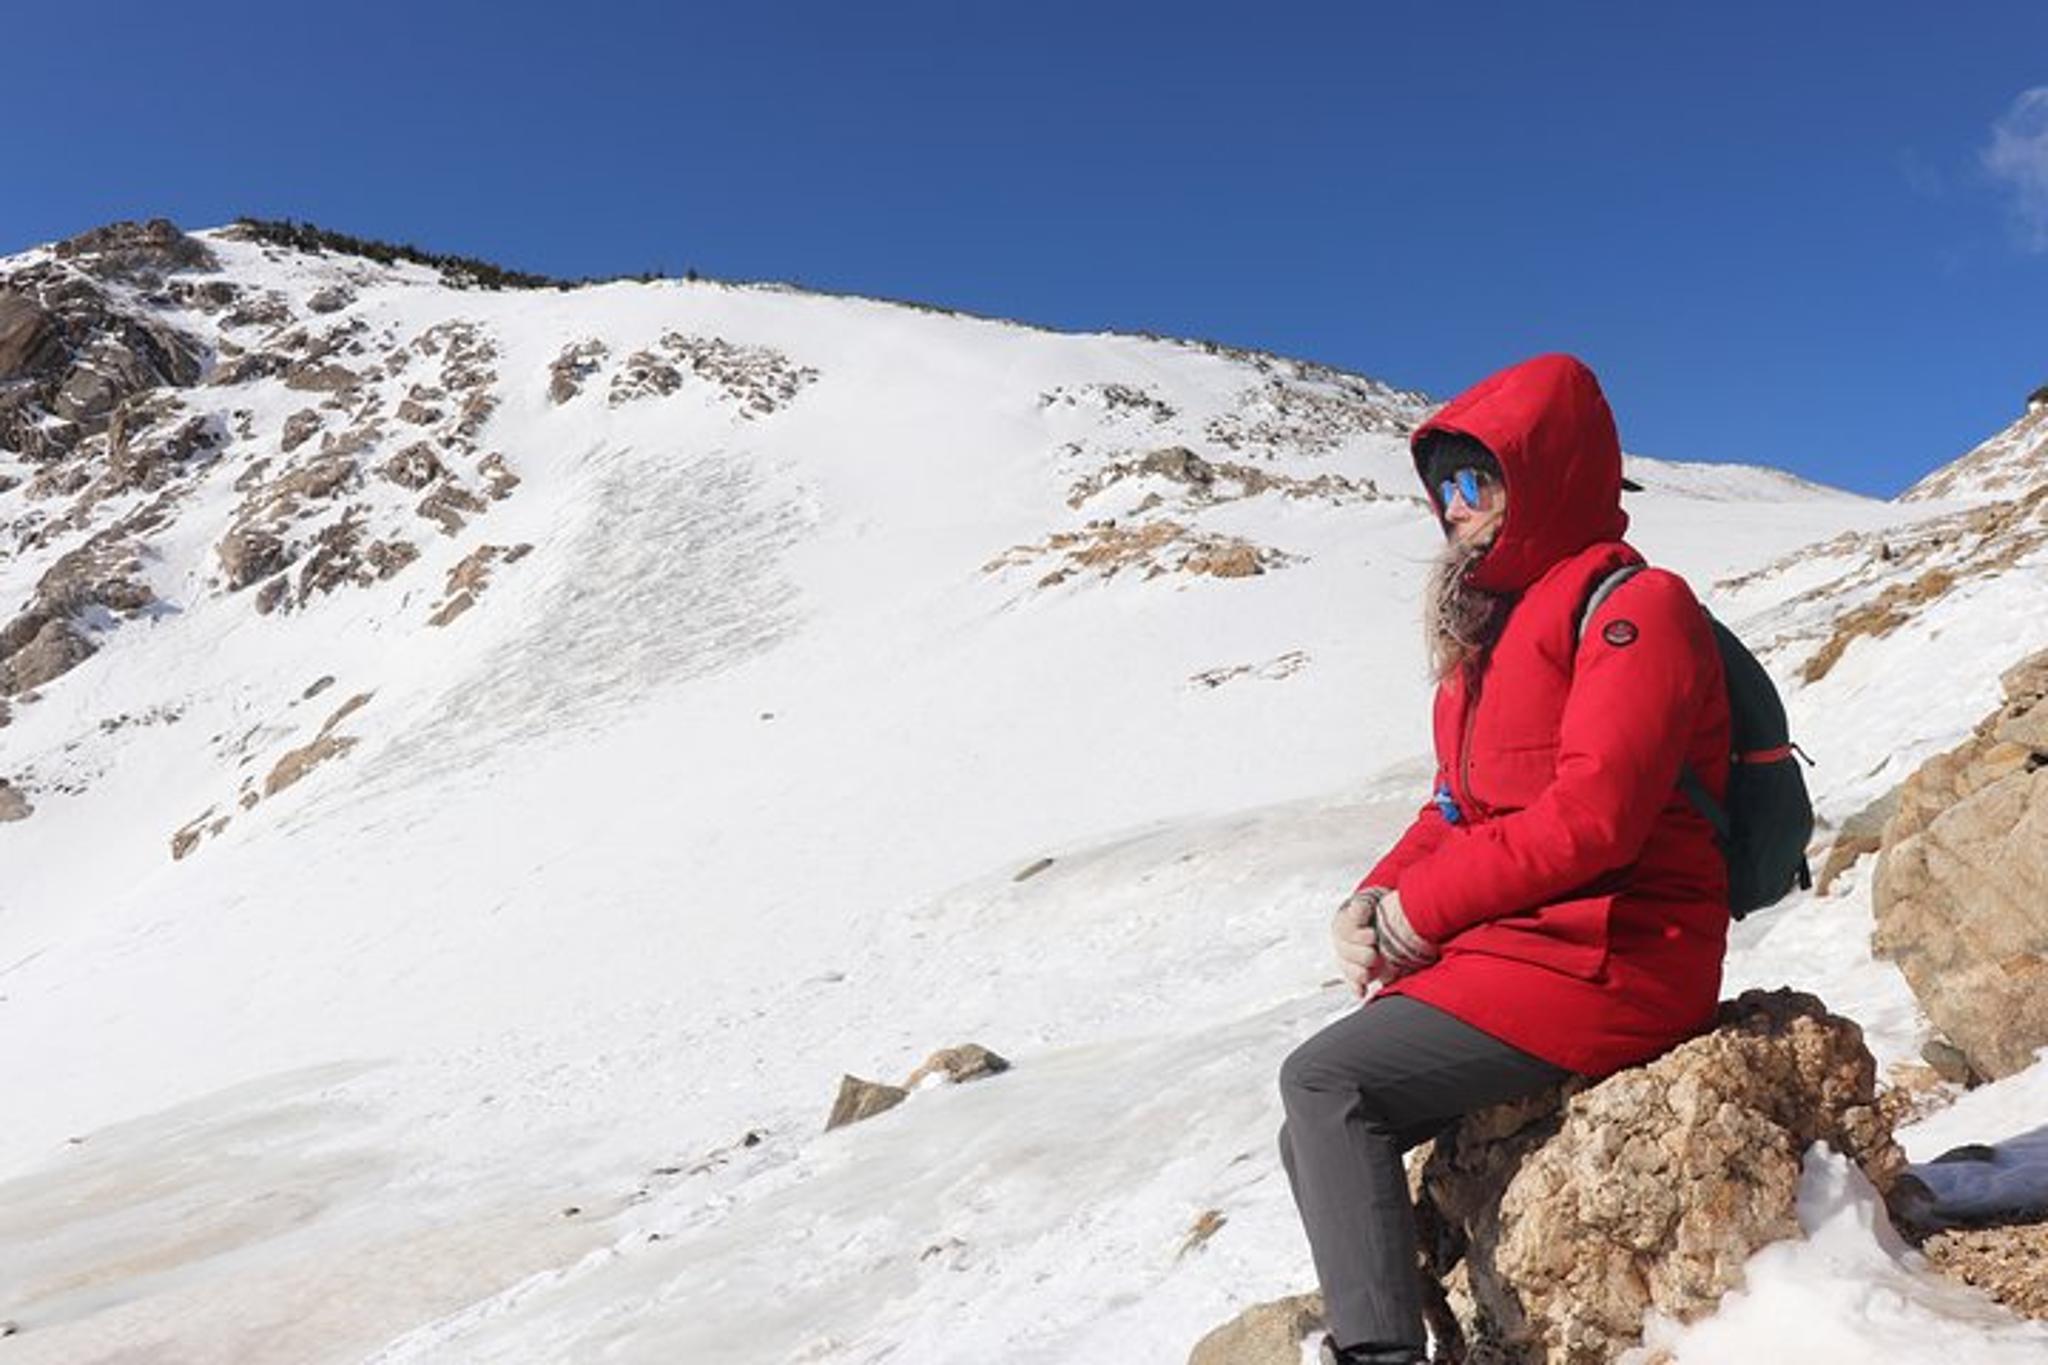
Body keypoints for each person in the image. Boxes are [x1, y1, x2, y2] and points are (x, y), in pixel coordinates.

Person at [1277, 353, 1733, 1365]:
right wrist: (1375, 892)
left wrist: (1419, 915)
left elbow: (1595, 817)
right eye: (1442, 486)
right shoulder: (1489, 641)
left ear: (1549, 476)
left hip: (1622, 953)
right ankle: (1398, 1324)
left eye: (1476, 480)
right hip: (1534, 950)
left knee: (1324, 1085)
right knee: (1316, 1124)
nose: (1453, 507)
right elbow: (1456, 801)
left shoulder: (1633, 606)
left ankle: (1377, 1355)